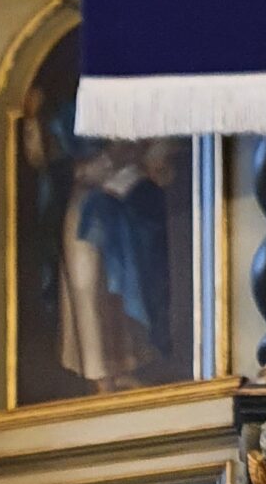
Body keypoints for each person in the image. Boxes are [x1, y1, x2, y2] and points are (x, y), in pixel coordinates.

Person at [20, 81, 175, 396]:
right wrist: (33, 120)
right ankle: (99, 376)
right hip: (84, 208)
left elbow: (154, 152)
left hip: (123, 207)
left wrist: (138, 163)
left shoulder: (131, 107)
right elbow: (43, 157)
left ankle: (125, 368)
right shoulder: (65, 116)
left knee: (122, 288)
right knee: (86, 286)